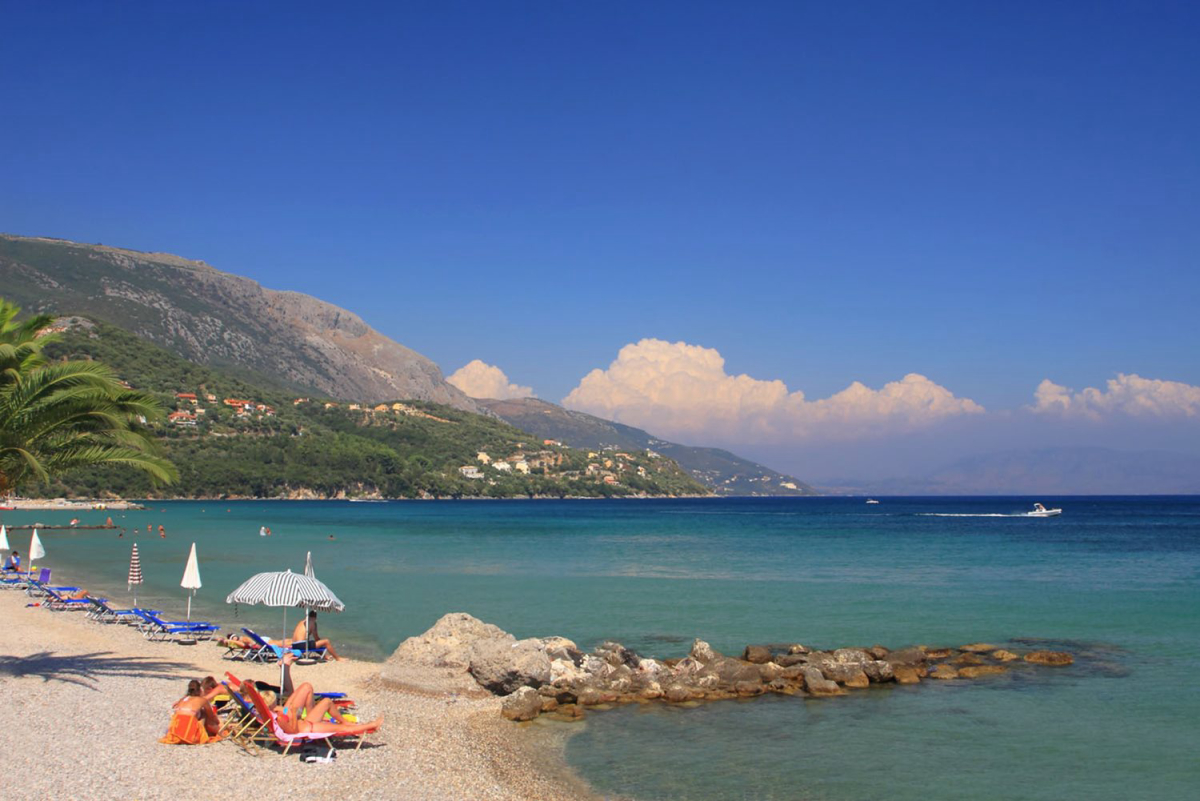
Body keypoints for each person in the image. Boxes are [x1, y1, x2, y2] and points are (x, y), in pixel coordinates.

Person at [261, 655, 381, 736]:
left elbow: (285, 710)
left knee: (327, 701)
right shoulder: (280, 718)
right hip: (310, 728)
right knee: (341, 729)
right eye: (275, 701)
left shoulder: (275, 712)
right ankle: (372, 725)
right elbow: (293, 732)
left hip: (306, 721)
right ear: (271, 703)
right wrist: (292, 714)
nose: (277, 702)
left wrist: (288, 708)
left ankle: (345, 721)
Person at [160, 678, 222, 745]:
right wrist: (217, 723)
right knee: (204, 713)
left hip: (175, 728)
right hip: (188, 726)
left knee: (198, 713)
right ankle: (219, 732)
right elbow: (211, 715)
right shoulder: (202, 700)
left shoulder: (183, 699)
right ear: (200, 690)